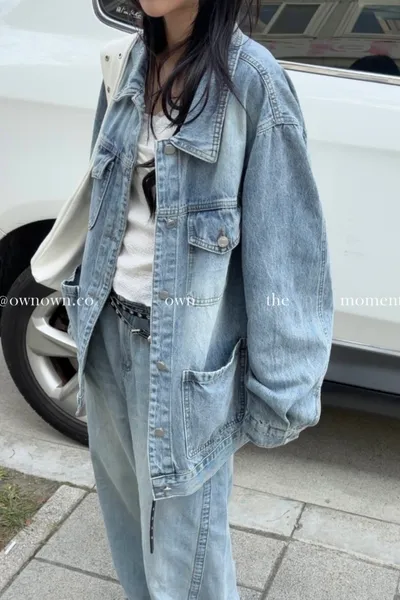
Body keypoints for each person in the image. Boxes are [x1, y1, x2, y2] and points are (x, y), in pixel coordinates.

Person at [59, 1, 334, 598]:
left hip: (182, 366)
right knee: (129, 541)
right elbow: (106, 206)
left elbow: (286, 251)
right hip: (105, 338)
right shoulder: (130, 62)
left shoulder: (253, 82)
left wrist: (281, 389)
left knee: (188, 572)